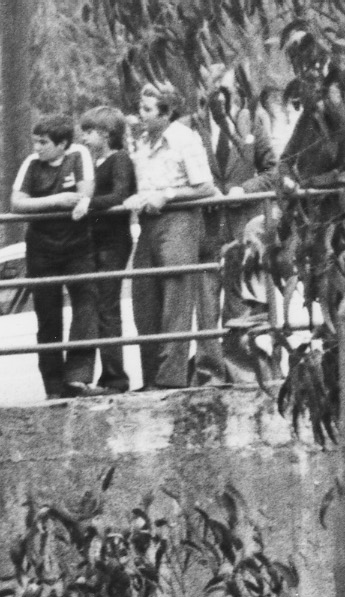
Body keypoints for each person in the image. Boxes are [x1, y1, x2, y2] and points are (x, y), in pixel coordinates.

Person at [126, 83, 222, 389]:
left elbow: (205, 186)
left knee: (175, 303)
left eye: (148, 110)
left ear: (166, 113)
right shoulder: (141, 140)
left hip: (179, 220)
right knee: (144, 299)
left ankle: (171, 379)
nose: (141, 115)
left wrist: (167, 195)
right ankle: (150, 377)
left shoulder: (184, 139)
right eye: (140, 108)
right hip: (147, 224)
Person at [196, 67, 278, 375]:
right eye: (212, 87)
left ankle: (242, 373)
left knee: (239, 304)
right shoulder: (195, 125)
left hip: (243, 224)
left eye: (225, 87)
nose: (218, 93)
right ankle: (208, 374)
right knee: (205, 303)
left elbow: (274, 172)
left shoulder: (252, 121)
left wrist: (244, 189)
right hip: (207, 227)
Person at [10, 114, 96, 398]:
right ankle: (53, 386)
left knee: (86, 305)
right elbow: (17, 203)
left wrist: (82, 201)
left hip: (77, 245)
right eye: (35, 141)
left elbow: (85, 192)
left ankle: (77, 376)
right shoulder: (31, 164)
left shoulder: (78, 154)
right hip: (42, 248)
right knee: (48, 317)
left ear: (62, 144)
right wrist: (55, 201)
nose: (36, 147)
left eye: (43, 142)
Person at [78, 109, 137, 393]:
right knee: (100, 307)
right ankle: (108, 375)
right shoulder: (97, 163)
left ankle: (115, 377)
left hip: (114, 242)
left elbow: (120, 195)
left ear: (106, 134)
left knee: (108, 307)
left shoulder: (119, 160)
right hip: (98, 241)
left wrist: (88, 205)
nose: (84, 138)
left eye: (88, 132)